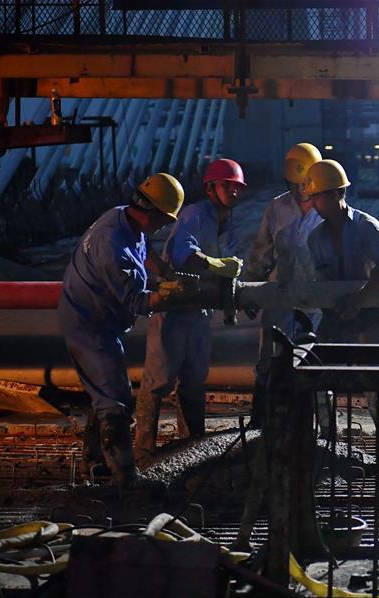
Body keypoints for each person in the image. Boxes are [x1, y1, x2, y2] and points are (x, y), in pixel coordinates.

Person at [58, 173, 192, 486]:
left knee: (103, 391)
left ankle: (96, 464)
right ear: (153, 212)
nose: (163, 227)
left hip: (98, 318)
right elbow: (138, 302)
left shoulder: (124, 218)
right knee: (114, 400)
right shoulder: (112, 245)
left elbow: (145, 255)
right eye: (163, 221)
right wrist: (172, 296)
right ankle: (126, 479)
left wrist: (169, 274)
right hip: (89, 323)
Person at [134, 159, 246, 460]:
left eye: (237, 187)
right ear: (211, 187)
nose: (234, 192)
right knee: (158, 381)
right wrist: (215, 265)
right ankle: (143, 455)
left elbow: (233, 261)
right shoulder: (195, 214)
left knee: (195, 378)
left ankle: (192, 451)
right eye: (227, 185)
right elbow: (184, 254)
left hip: (199, 312)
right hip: (174, 309)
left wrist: (233, 276)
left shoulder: (228, 222)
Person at [304, 159, 379, 468]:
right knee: (319, 378)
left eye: (318, 197)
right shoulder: (315, 238)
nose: (314, 204)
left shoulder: (366, 226)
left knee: (375, 384)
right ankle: (327, 443)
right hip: (335, 318)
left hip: (369, 315)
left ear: (336, 194)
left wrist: (359, 300)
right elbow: (320, 282)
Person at [243, 143, 323, 427]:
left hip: (316, 304)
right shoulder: (277, 207)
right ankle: (260, 426)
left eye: (306, 183)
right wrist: (250, 292)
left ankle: (322, 431)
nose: (302, 189)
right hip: (279, 300)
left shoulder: (329, 209)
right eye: (296, 184)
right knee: (268, 363)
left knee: (315, 365)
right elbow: (261, 252)